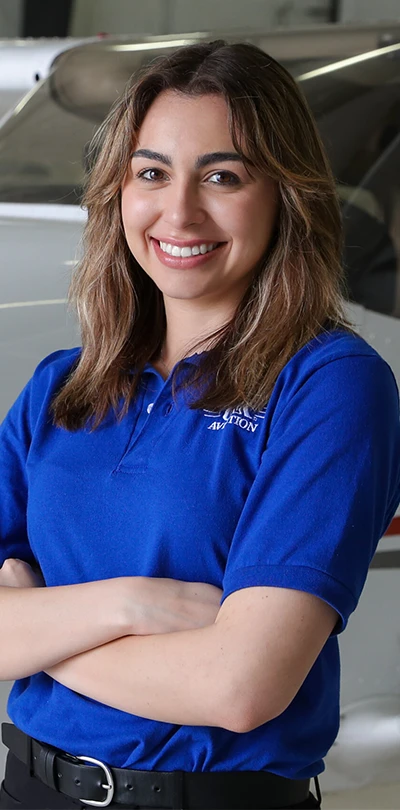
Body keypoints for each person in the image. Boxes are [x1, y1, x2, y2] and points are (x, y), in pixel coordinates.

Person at [0, 39, 399, 810]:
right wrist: (129, 607)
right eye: (151, 172)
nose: (178, 211)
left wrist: (34, 633)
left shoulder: (330, 386)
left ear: (287, 194)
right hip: (29, 789)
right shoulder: (61, 385)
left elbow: (239, 687)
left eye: (223, 176)